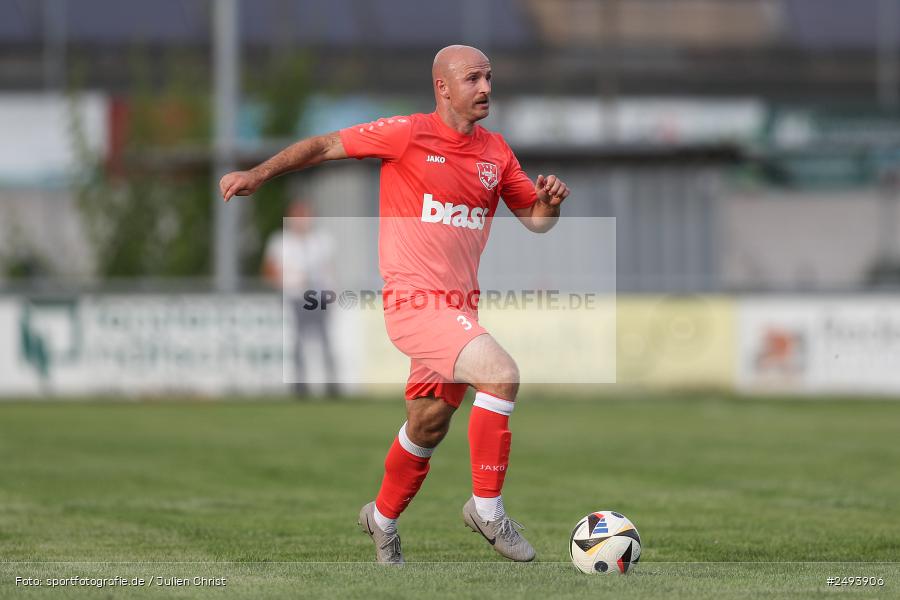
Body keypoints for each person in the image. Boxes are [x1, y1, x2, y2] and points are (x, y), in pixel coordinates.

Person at [220, 45, 570, 564]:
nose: (486, 88)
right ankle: (487, 509)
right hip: (414, 303)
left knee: (428, 423)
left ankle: (381, 520)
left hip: (459, 309)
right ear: (443, 88)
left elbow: (536, 222)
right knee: (501, 374)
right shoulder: (407, 133)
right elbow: (322, 147)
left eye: (490, 78)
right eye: (473, 78)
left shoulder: (496, 153)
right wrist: (258, 174)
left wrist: (550, 203)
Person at [262, 199, 339, 397]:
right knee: (297, 342)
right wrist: (288, 280)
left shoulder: (321, 240)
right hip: (295, 296)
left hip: (318, 297)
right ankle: (300, 386)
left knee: (325, 341)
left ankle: (332, 384)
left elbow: (329, 270)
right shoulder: (280, 241)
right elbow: (269, 271)